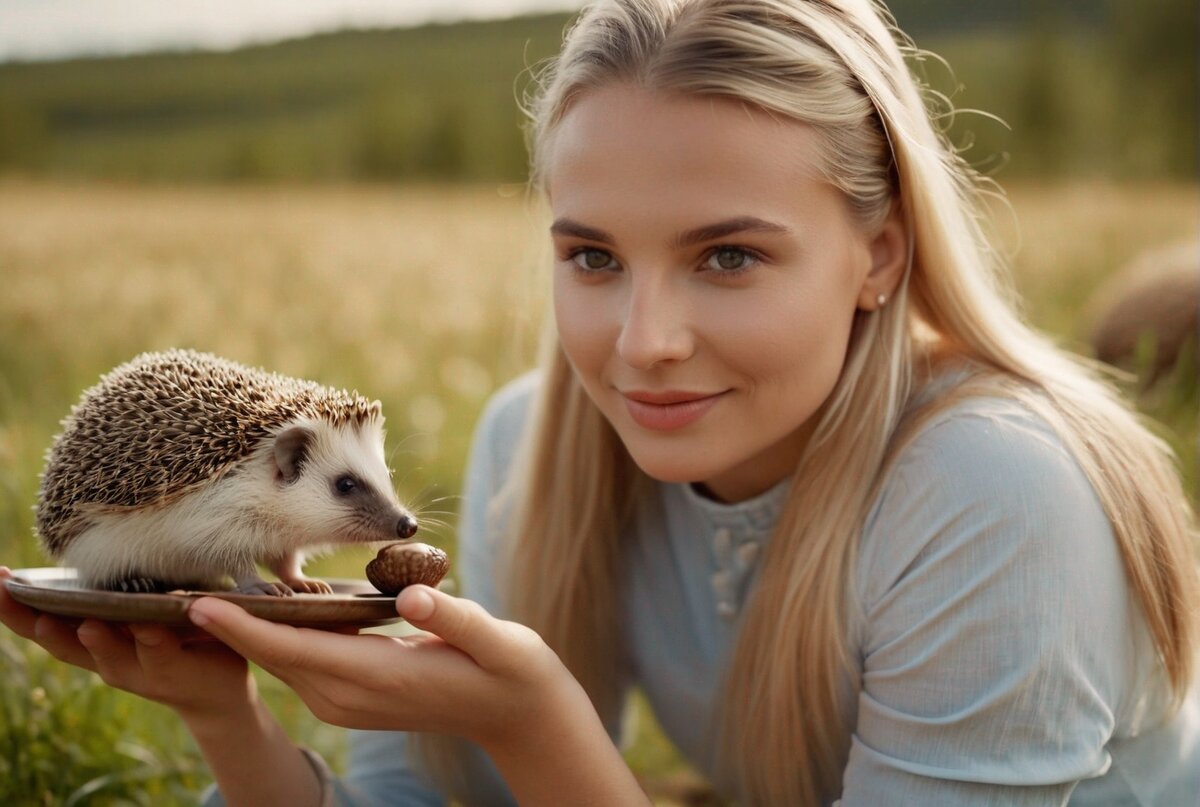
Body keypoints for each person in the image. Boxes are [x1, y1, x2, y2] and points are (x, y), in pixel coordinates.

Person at [2, 0, 1198, 803]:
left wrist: (537, 736)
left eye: (731, 256)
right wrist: (227, 720)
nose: (644, 346)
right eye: (593, 257)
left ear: (879, 255)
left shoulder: (996, 491)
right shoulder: (539, 443)